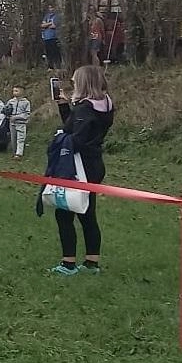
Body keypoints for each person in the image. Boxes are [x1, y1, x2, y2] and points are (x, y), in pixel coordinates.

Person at [50, 65, 115, 275]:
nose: (72, 81)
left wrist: (58, 138)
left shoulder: (85, 109)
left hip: (78, 165)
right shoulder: (105, 104)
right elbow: (78, 127)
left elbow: (75, 138)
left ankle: (68, 263)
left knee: (64, 212)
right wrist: (65, 107)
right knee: (87, 212)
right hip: (95, 163)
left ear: (84, 83)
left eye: (75, 80)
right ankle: (91, 262)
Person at [0, 85, 31, 160]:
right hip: (12, 123)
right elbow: (6, 110)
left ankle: (19, 154)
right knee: (13, 138)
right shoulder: (11, 101)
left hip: (21, 123)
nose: (14, 92)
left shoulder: (26, 102)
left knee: (20, 138)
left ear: (22, 92)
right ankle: (15, 152)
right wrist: (6, 113)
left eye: (16, 91)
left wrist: (17, 117)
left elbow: (27, 114)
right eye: (13, 91)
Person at [41, 3, 62, 69]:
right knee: (48, 53)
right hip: (46, 38)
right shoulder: (46, 16)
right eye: (50, 8)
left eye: (52, 8)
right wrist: (49, 23)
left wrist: (46, 25)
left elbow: (54, 26)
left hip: (54, 37)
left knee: (55, 53)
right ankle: (50, 67)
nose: (51, 9)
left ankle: (58, 67)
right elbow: (42, 25)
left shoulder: (57, 16)